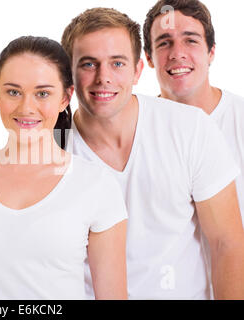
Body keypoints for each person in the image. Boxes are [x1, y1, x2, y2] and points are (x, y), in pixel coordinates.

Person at [61, 8, 244, 299]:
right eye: (88, 64)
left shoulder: (190, 128)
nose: (103, 77)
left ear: (137, 70)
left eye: (117, 63)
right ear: (67, 76)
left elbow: (227, 243)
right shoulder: (51, 151)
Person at [0, 36, 128, 300]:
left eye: (42, 93)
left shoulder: (96, 185)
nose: (26, 107)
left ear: (66, 98)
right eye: (13, 92)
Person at [143, 0, 244, 221]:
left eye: (190, 40)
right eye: (164, 43)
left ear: (211, 52)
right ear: (149, 58)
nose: (177, 54)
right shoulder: (135, 130)